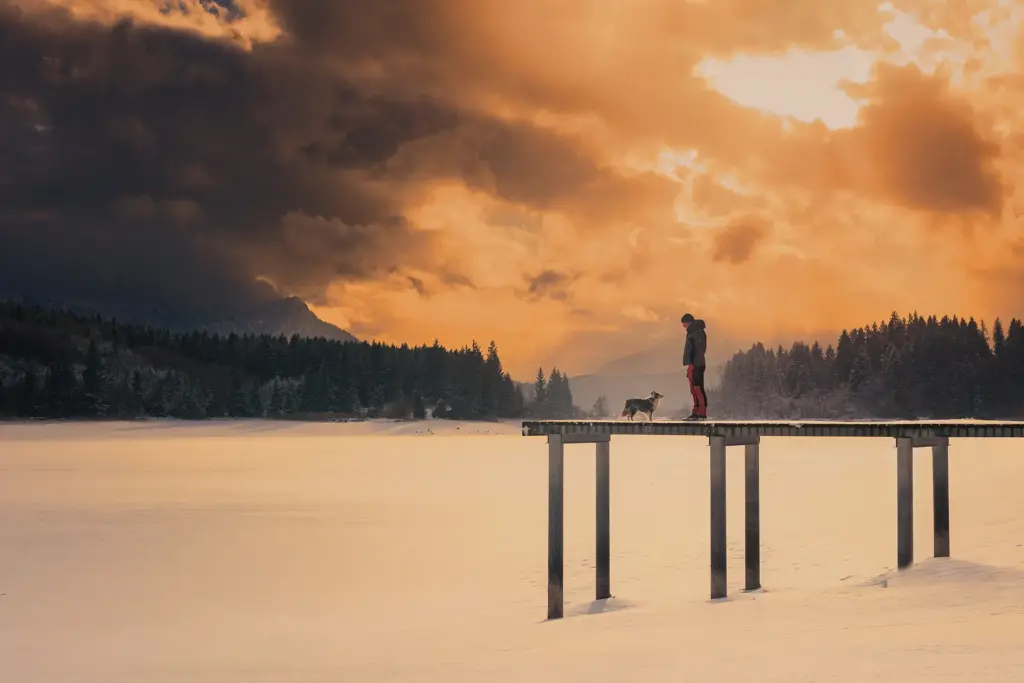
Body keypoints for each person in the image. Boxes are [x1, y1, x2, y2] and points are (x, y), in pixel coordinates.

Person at [680, 313, 707, 420]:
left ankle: (701, 412)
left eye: (684, 323)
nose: (683, 326)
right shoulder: (692, 332)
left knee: (698, 389)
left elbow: (698, 350)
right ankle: (696, 412)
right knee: (693, 389)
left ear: (689, 322)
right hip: (693, 364)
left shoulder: (696, 332)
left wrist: (694, 363)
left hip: (697, 364)